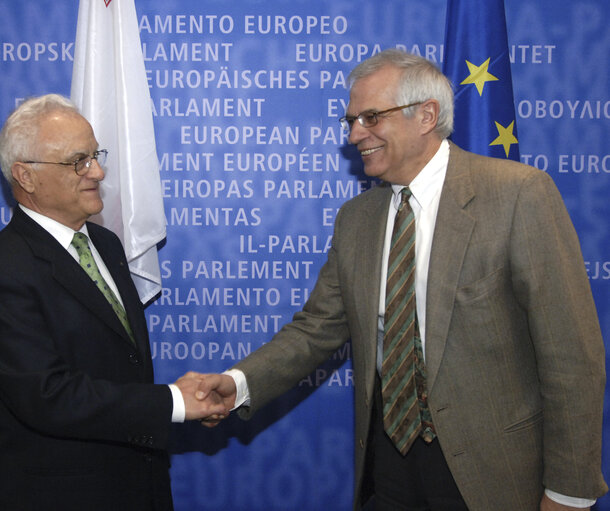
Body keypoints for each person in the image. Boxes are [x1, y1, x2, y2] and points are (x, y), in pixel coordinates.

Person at [194, 49, 607, 510]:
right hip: (387, 475)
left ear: (426, 115)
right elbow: (315, 329)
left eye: (371, 117)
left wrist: (570, 492)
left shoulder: (518, 195)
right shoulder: (357, 218)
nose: (354, 135)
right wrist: (239, 383)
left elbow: (572, 358)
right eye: (350, 120)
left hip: (493, 477)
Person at [0, 94, 226, 511]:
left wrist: (171, 403)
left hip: (142, 485)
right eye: (78, 161)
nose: (98, 172)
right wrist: (173, 403)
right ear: (25, 176)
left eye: (96, 155)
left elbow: (121, 366)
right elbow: (47, 397)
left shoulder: (105, 243)